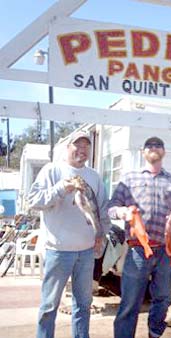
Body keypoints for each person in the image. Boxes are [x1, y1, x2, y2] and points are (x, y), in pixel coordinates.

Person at [108, 136, 171, 338]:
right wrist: (122, 213)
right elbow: (111, 207)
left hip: (166, 250)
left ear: (164, 152)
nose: (154, 149)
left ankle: (154, 333)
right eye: (149, 146)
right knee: (130, 301)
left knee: (164, 298)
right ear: (143, 152)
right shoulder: (129, 179)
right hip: (138, 250)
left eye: (158, 146)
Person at [28, 131, 111, 338]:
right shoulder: (51, 170)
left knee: (83, 306)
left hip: (86, 252)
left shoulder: (94, 176)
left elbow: (102, 210)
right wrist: (61, 189)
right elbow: (33, 201)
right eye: (77, 146)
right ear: (67, 148)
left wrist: (101, 235)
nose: (82, 151)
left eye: (86, 148)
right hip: (57, 252)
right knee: (49, 307)